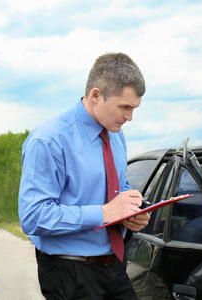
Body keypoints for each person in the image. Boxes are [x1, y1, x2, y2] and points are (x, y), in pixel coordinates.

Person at [18, 52, 150, 300]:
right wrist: (106, 213)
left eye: (134, 108)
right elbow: (33, 216)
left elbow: (118, 187)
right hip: (70, 272)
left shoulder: (116, 134)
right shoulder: (48, 140)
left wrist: (131, 212)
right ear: (96, 95)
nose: (130, 117)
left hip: (115, 266)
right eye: (124, 107)